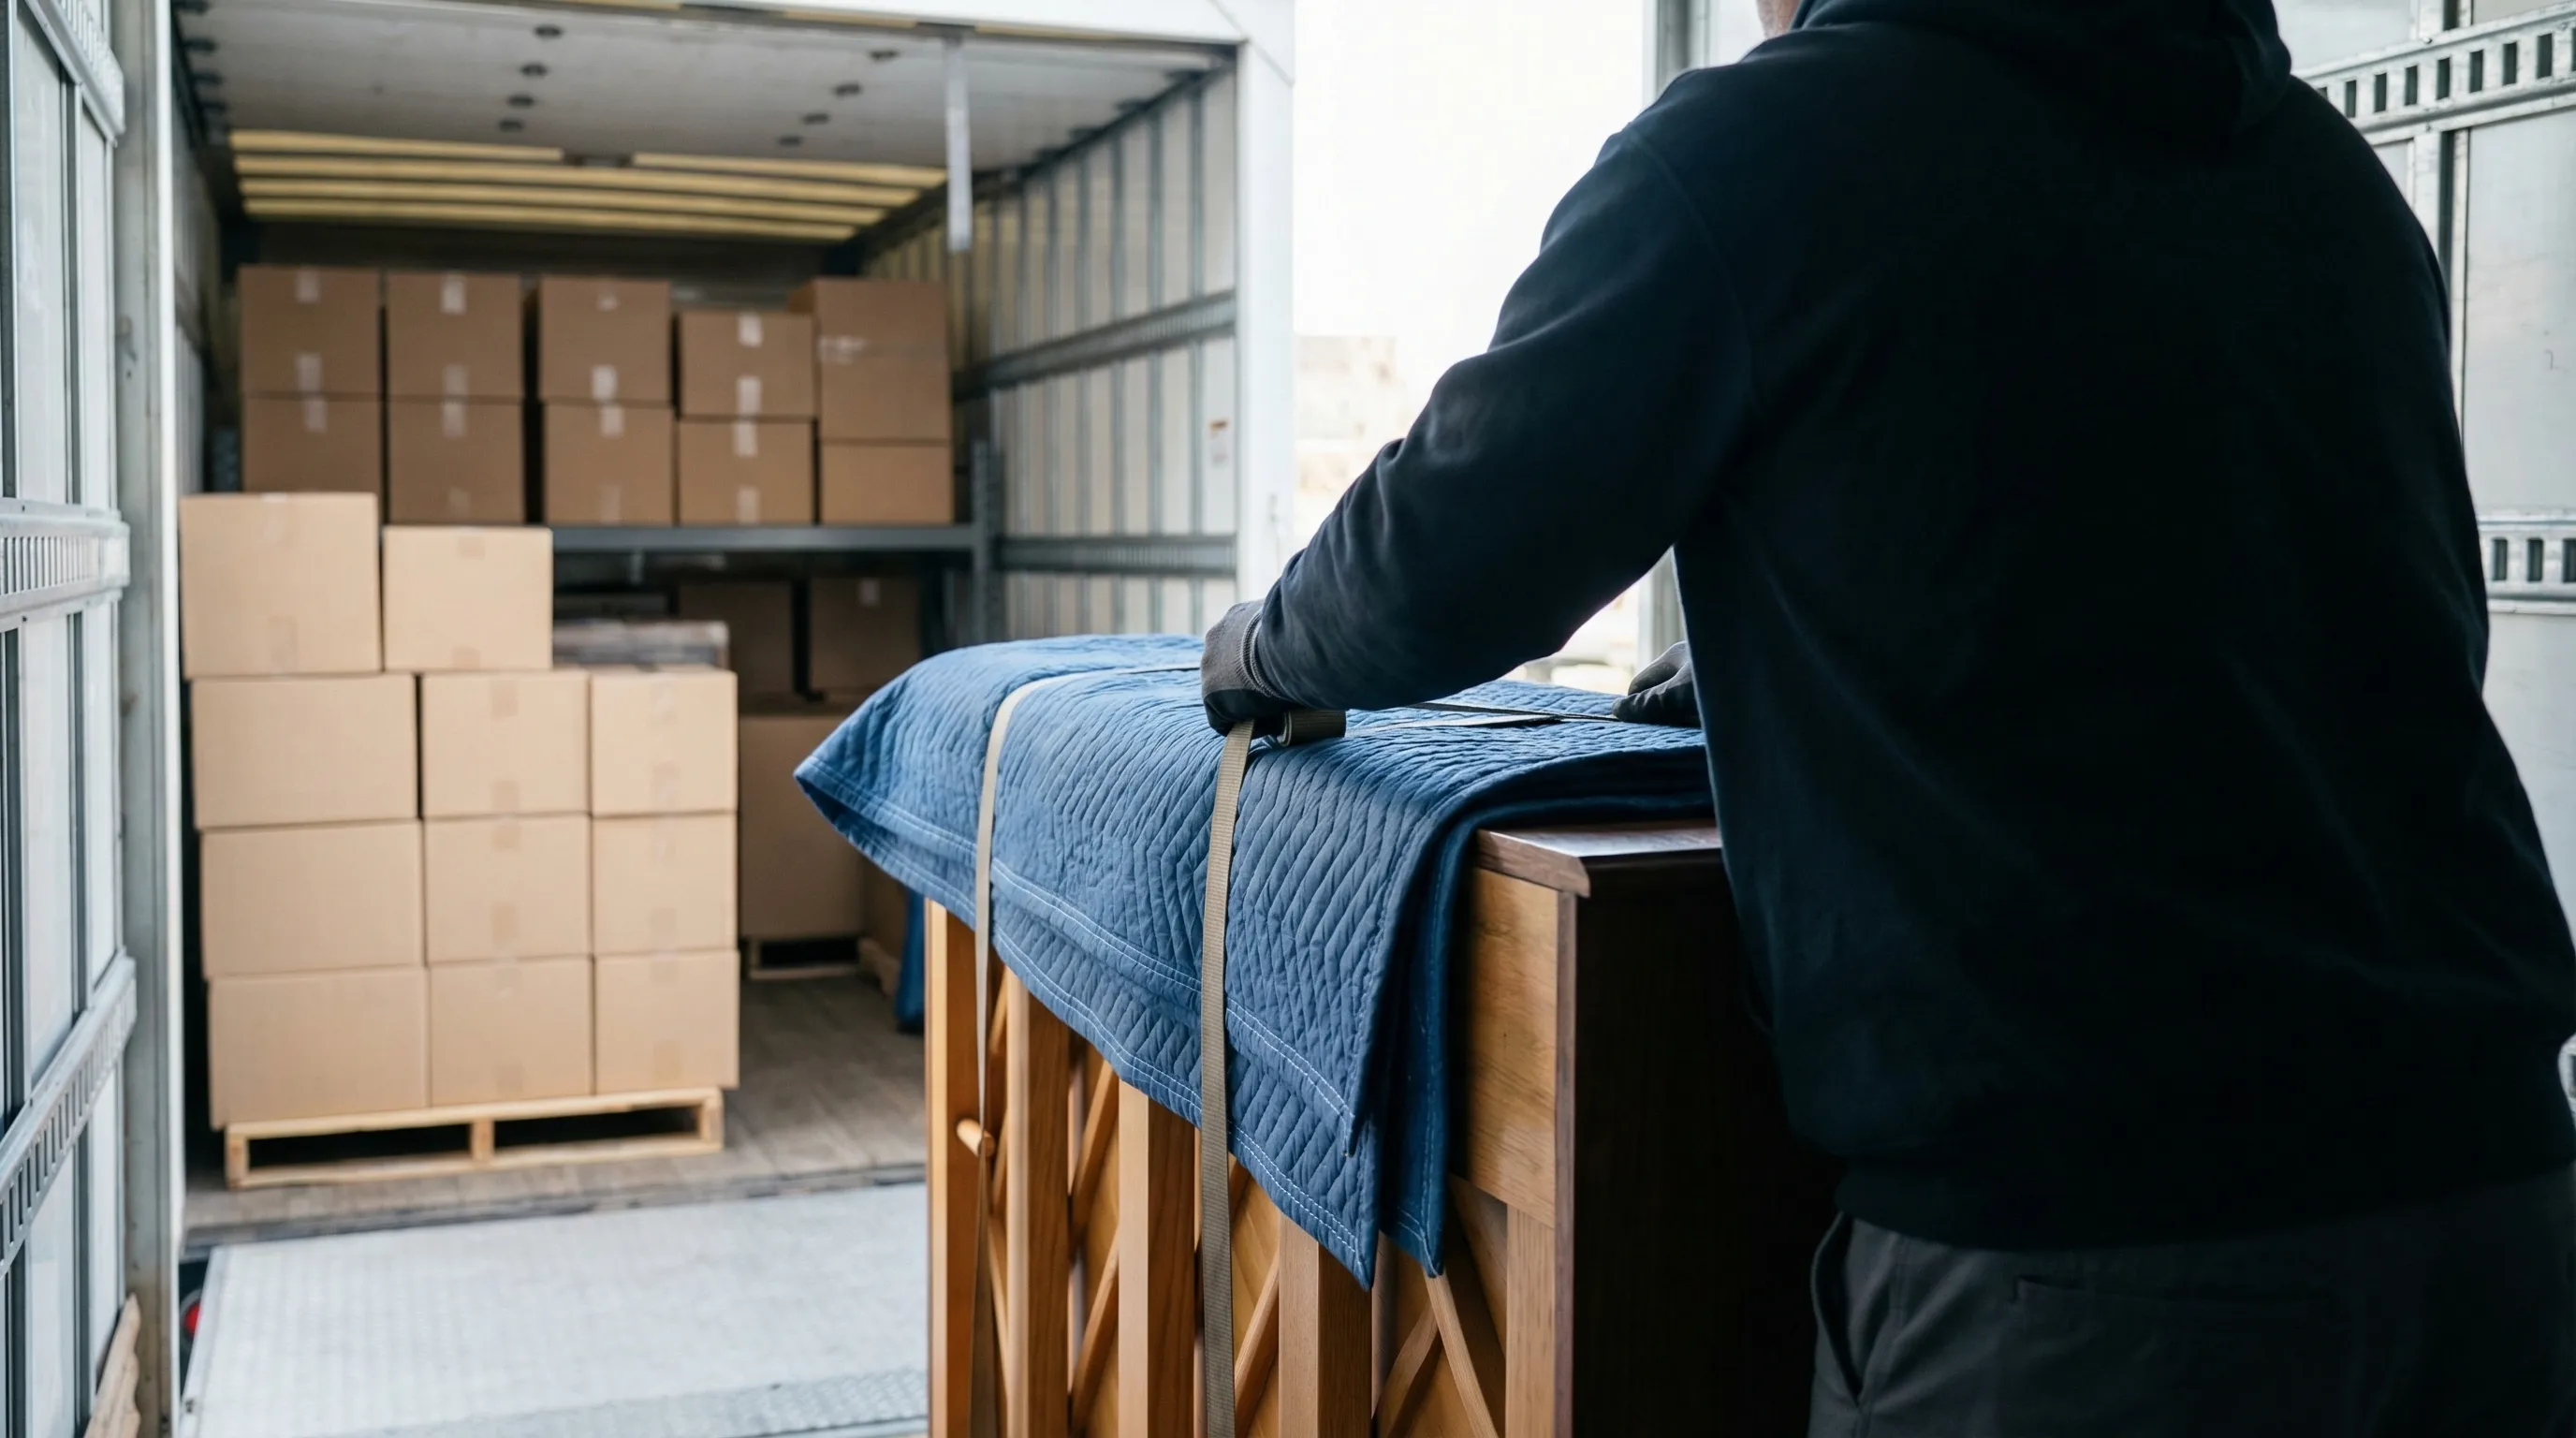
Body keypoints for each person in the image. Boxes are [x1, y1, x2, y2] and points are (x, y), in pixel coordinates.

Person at [1200, 0, 2576, 1431]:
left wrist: (1264, 648)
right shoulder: (2328, 182)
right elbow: (2293, 593)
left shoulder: (1762, 153)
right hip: (2493, 1211)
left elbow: (1449, 557)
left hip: (2088, 1269)